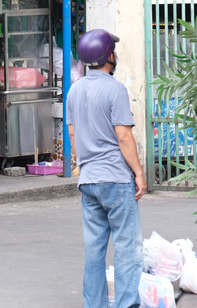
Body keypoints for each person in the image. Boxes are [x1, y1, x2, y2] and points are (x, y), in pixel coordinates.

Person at [65, 29, 147, 308]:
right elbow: (124, 137)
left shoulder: (74, 90)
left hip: (88, 181)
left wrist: (83, 163)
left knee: (94, 252)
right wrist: (138, 173)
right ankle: (126, 305)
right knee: (127, 250)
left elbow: (73, 135)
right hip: (115, 180)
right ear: (108, 55)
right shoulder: (115, 89)